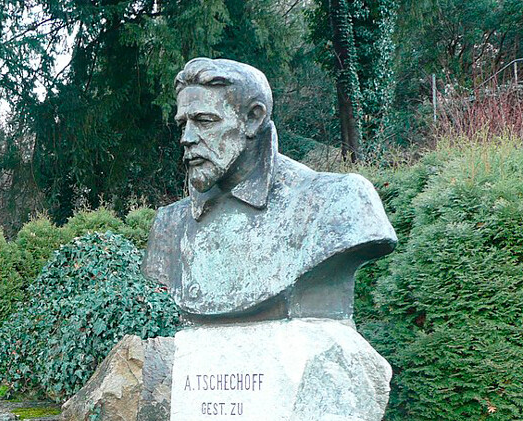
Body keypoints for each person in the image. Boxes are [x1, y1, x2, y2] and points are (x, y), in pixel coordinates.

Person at [142, 58, 396, 322]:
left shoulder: (337, 201)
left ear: (254, 118)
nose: (187, 138)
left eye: (205, 121)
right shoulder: (169, 226)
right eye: (183, 124)